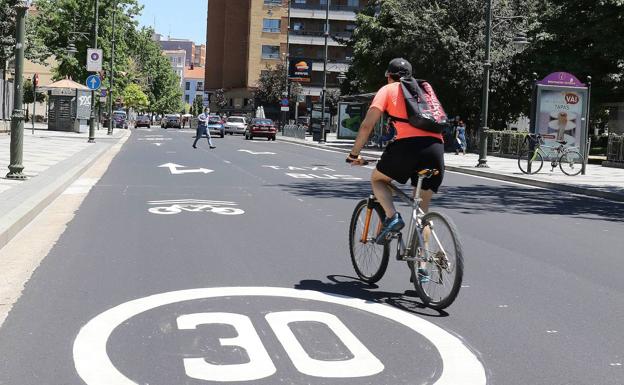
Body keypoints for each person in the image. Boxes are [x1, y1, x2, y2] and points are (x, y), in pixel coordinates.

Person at [346, 58, 445, 245]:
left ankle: (392, 217)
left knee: (378, 179)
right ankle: (422, 267)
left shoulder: (388, 89)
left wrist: (354, 154)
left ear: (389, 77)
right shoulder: (423, 90)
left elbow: (367, 126)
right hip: (436, 148)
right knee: (422, 212)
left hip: (407, 147)